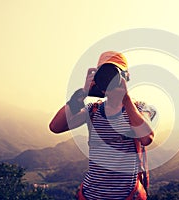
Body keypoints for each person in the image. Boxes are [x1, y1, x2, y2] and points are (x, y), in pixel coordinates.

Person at [49, 51, 156, 200]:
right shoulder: (93, 110)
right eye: (104, 75)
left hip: (127, 196)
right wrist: (83, 93)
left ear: (126, 77)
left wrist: (126, 99)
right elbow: (55, 126)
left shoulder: (139, 108)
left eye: (114, 75)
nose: (110, 80)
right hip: (90, 195)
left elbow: (146, 138)